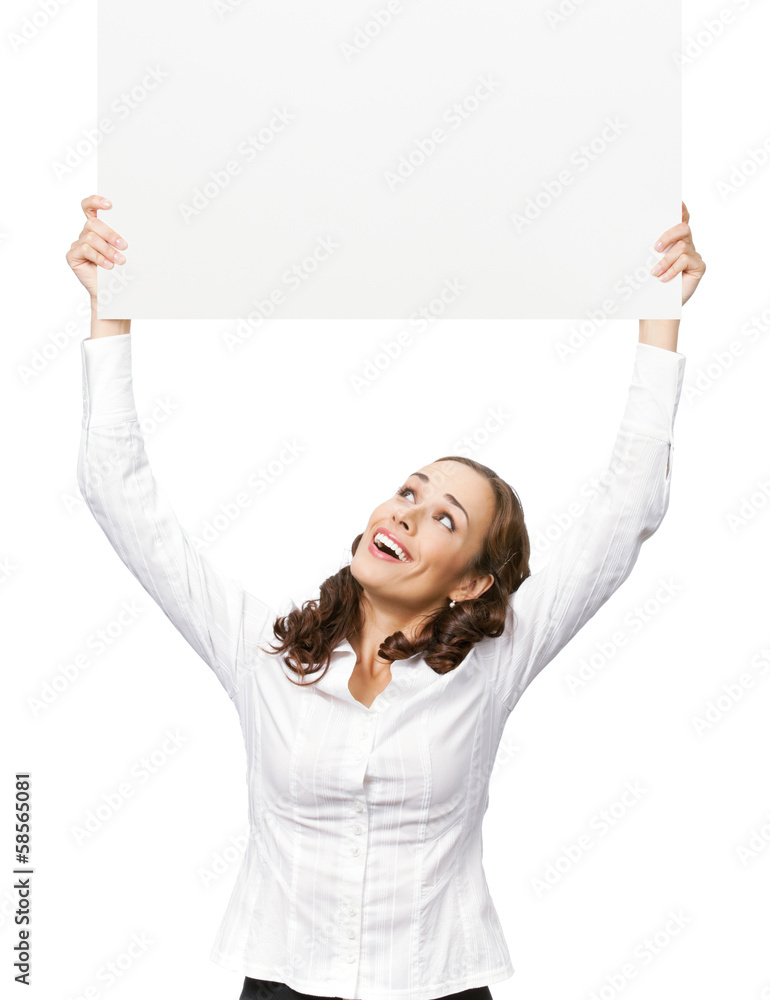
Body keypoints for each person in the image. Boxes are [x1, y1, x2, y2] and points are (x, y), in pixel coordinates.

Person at [67, 194, 706, 1000]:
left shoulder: (492, 662)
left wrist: (660, 318)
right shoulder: (262, 654)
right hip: (280, 985)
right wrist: (109, 309)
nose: (406, 510)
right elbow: (119, 496)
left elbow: (628, 508)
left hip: (440, 985)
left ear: (471, 580)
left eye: (445, 516)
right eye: (409, 490)